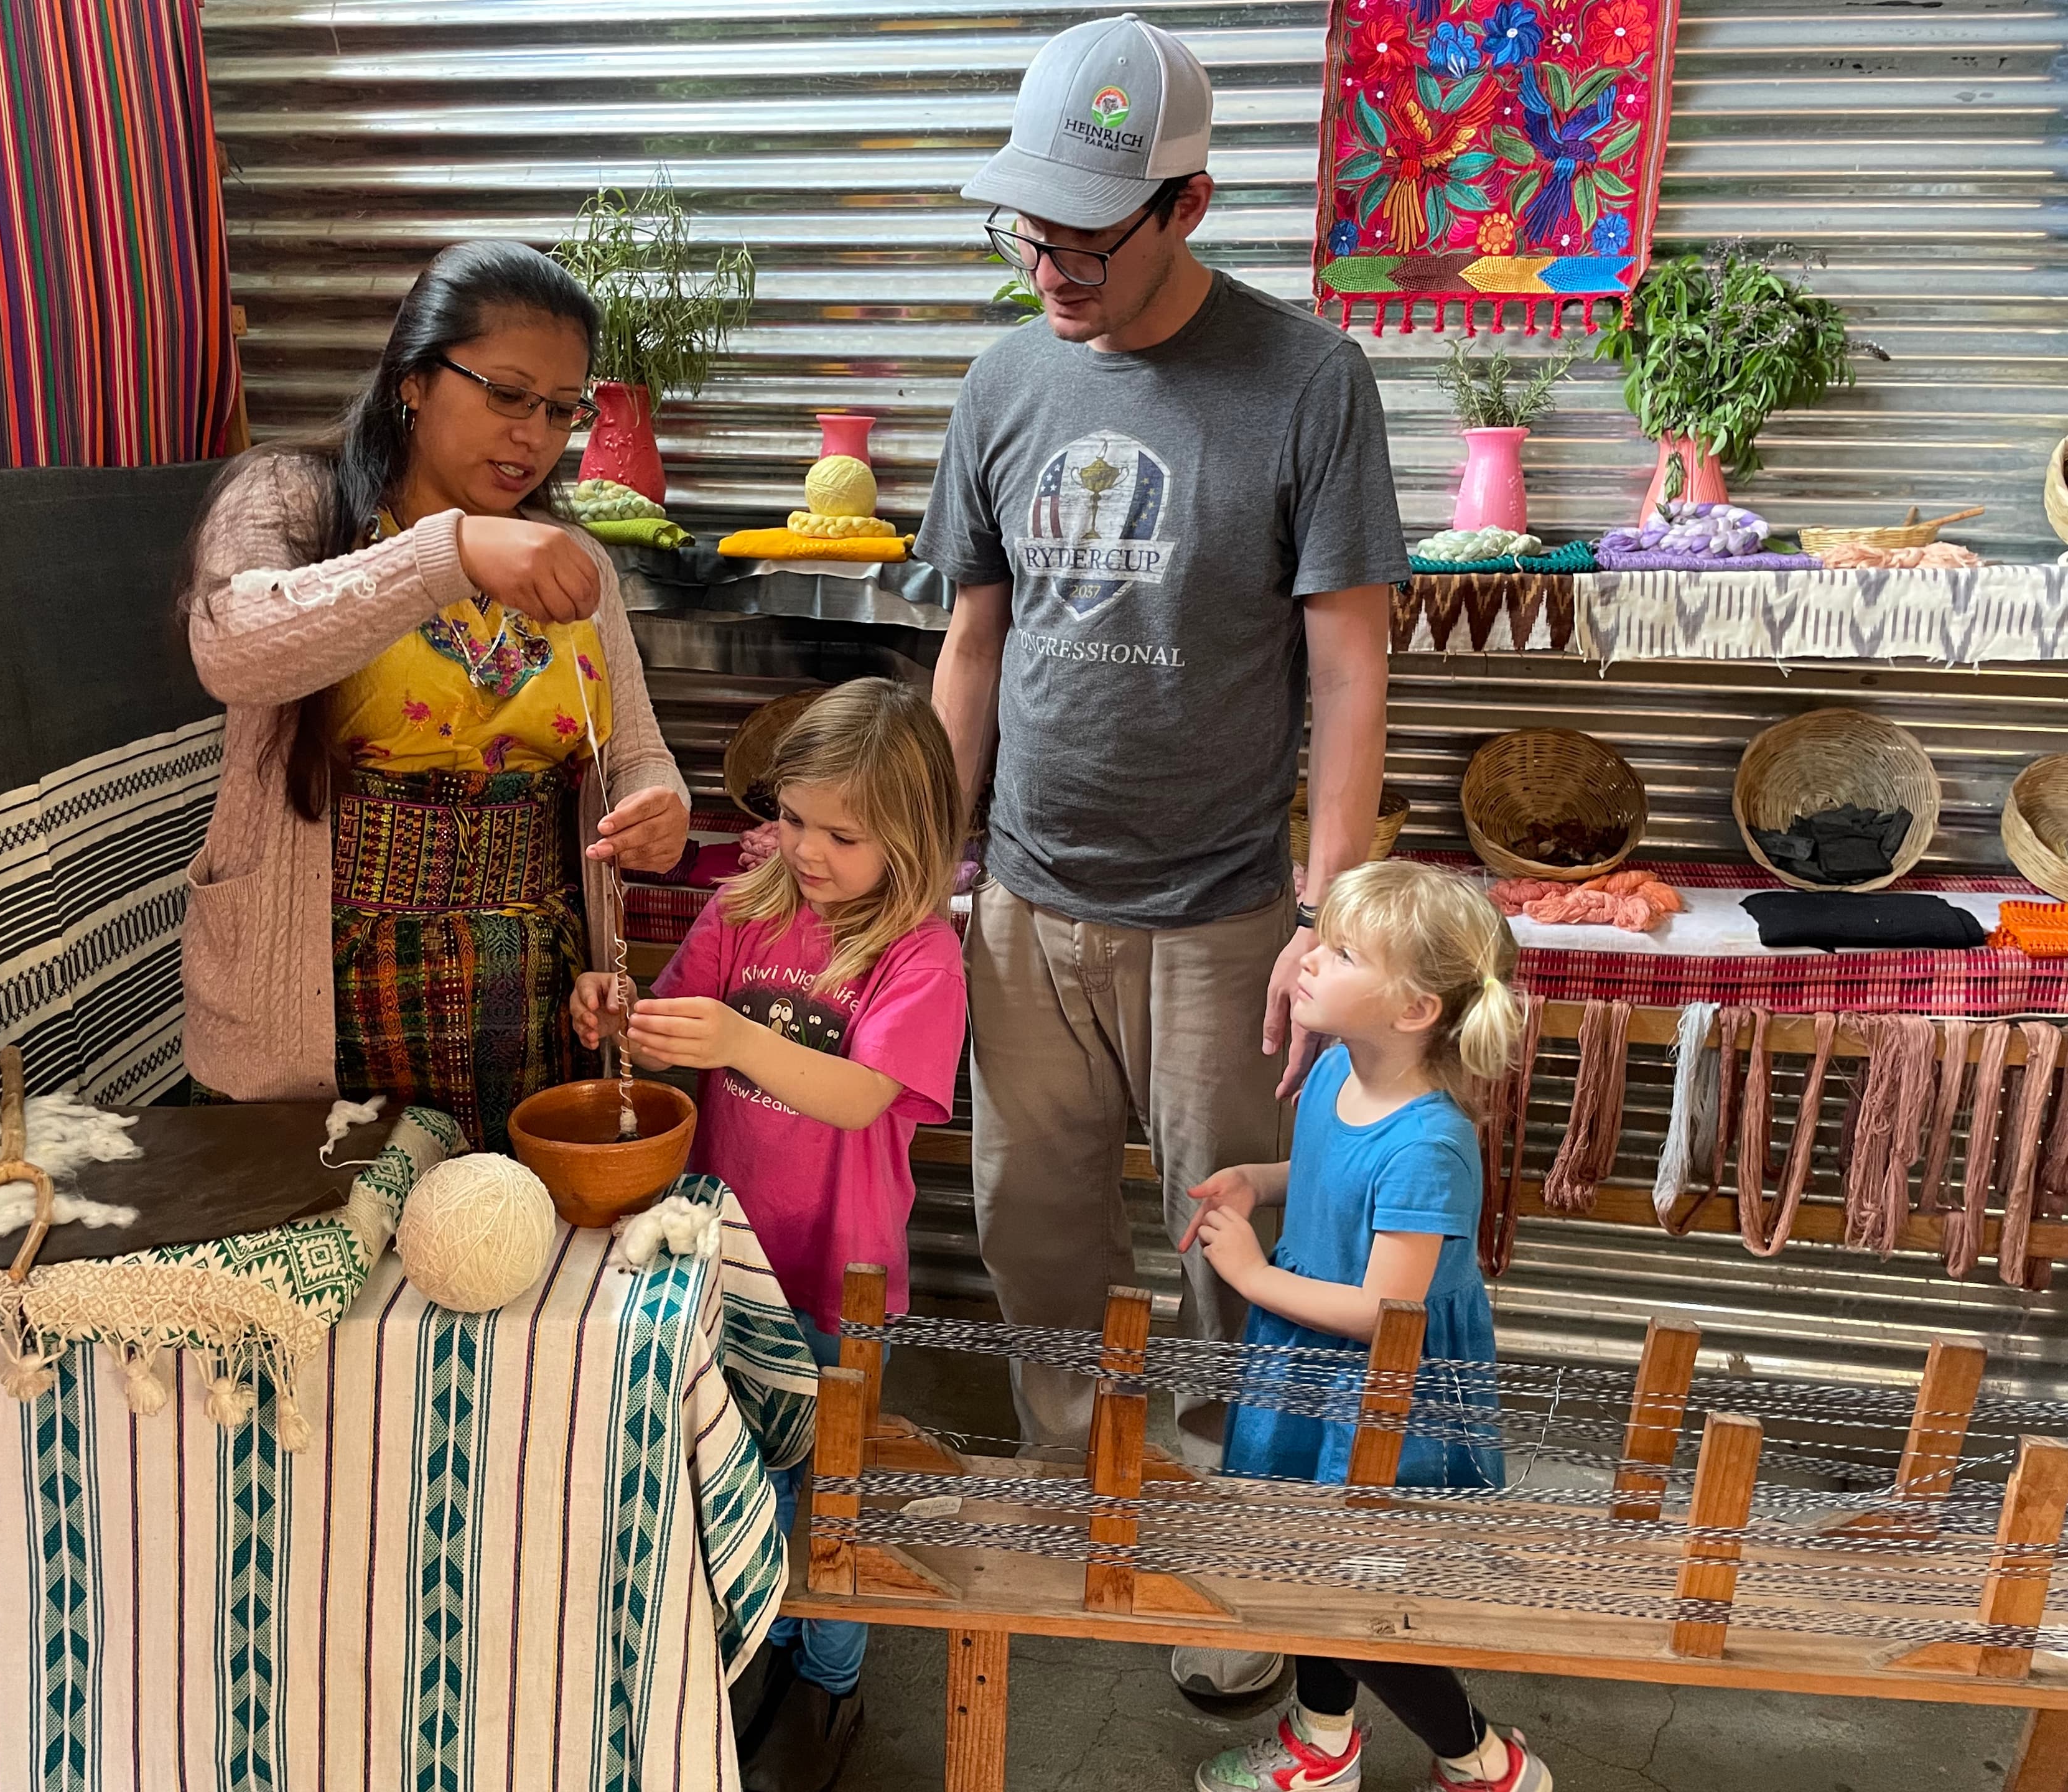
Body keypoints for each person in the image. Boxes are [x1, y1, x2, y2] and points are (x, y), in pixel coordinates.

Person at [918, 11, 1405, 1705]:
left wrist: (1329, 921)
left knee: (1233, 1249)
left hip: (1221, 917)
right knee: (1033, 1231)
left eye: (1087, 237)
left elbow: (1350, 664)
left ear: (1185, 207)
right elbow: (974, 641)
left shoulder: (1306, 381)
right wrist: (935, 866)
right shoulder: (1003, 379)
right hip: (1026, 904)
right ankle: (1075, 1491)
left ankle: (1226, 1546)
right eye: (1029, 231)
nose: (1051, 265)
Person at [176, 240, 690, 1144]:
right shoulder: (293, 498)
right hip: (322, 989)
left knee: (510, 1243)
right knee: (335, 1245)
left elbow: (634, 746)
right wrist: (447, 553)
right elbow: (235, 649)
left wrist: (659, 800)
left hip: (525, 987)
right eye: (505, 394)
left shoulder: (574, 567)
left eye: (561, 410)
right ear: (414, 379)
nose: (533, 434)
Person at [574, 678, 968, 1792]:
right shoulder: (748, 904)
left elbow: (857, 1095)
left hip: (838, 1275)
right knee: (732, 1460)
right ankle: (755, 1638)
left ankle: (828, 1673)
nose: (807, 849)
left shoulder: (920, 956)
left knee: (827, 1483)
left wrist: (734, 1038)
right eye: (793, 817)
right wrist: (622, 1014)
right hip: (721, 1255)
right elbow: (672, 1035)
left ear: (913, 836)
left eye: (844, 834)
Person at [1185, 860, 1552, 1792]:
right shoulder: (1339, 1072)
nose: (1310, 961)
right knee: (1315, 1563)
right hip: (1313, 1363)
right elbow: (1325, 1177)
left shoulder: (1431, 1143)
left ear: (1415, 1009)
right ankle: (1323, 1741)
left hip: (1389, 1389)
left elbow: (1388, 1315)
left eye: (1343, 952)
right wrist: (1255, 1184)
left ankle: (1486, 1762)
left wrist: (1252, 1273)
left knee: (1360, 1591)